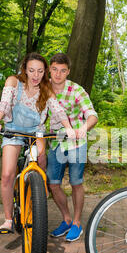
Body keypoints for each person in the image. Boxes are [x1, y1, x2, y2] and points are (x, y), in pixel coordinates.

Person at [0, 52, 74, 234]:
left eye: (40, 71)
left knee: (41, 159)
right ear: (25, 70)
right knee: (7, 174)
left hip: (36, 131)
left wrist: (68, 127)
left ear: (45, 72)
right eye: (32, 70)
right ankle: (8, 220)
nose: (36, 76)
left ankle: (38, 198)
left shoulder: (46, 88)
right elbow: (4, 104)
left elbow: (57, 110)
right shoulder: (13, 82)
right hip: (13, 130)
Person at [47, 53, 98, 242]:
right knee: (53, 184)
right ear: (49, 69)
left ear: (68, 72)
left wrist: (84, 127)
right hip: (55, 143)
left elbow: (92, 115)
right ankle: (66, 219)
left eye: (62, 71)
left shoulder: (76, 90)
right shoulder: (43, 89)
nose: (58, 74)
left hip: (76, 143)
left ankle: (77, 223)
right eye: (54, 69)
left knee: (76, 182)